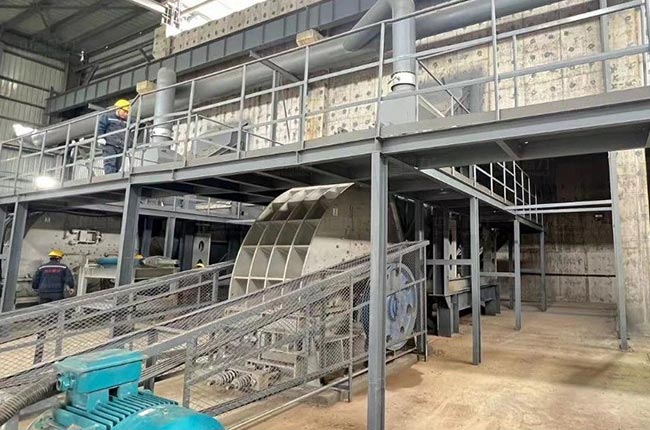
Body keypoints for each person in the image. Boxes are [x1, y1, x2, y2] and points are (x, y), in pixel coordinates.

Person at [98, 99, 130, 174]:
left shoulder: (126, 121)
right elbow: (100, 127)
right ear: (118, 109)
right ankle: (109, 177)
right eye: (124, 111)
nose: (126, 114)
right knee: (110, 163)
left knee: (118, 165)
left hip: (121, 146)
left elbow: (129, 133)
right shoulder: (107, 116)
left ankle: (114, 176)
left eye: (127, 112)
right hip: (110, 144)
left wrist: (128, 144)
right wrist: (101, 137)